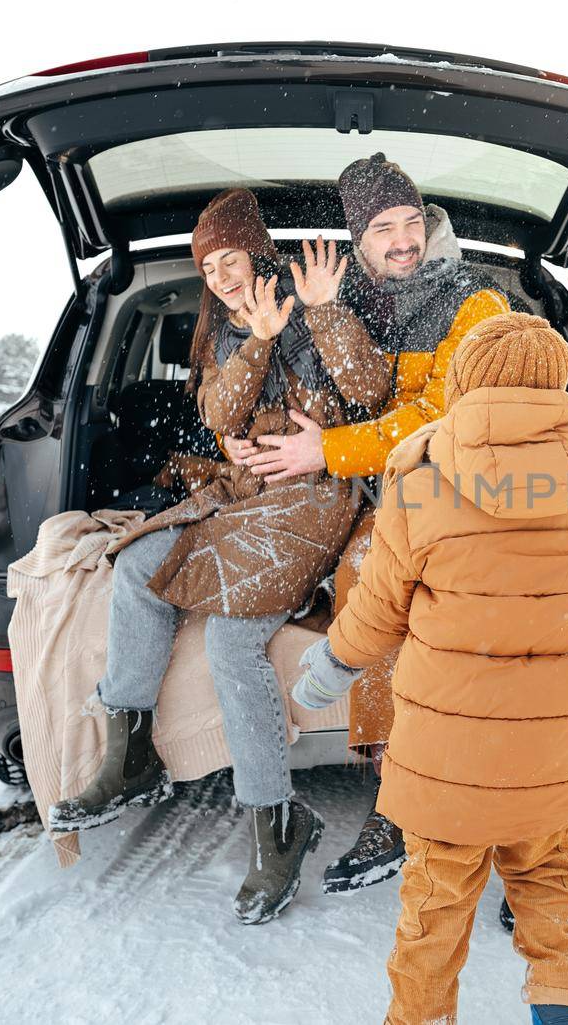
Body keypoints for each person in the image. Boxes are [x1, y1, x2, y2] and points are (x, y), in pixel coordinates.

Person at [47, 187, 391, 925]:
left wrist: (318, 314)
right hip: (241, 492)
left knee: (235, 638)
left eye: (231, 259)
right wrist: (256, 343)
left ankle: (276, 821)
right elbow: (217, 416)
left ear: (256, 250)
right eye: (210, 269)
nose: (223, 278)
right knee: (137, 563)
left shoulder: (317, 303)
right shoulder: (225, 331)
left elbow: (370, 391)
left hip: (316, 496)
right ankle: (130, 752)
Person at [292, 312, 568, 1025]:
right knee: (557, 918)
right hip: (552, 770)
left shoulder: (419, 489)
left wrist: (328, 667)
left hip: (447, 775)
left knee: (431, 928)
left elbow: (378, 610)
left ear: (464, 382)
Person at [221, 153, 513, 894]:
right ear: (361, 240)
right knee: (363, 583)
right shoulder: (356, 299)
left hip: (466, 491)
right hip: (386, 499)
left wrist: (330, 449)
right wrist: (259, 437)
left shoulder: (476, 300)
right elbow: (331, 389)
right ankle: (396, 795)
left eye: (413, 222)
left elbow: (436, 415)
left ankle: (515, 833)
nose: (404, 239)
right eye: (384, 228)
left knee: (459, 617)